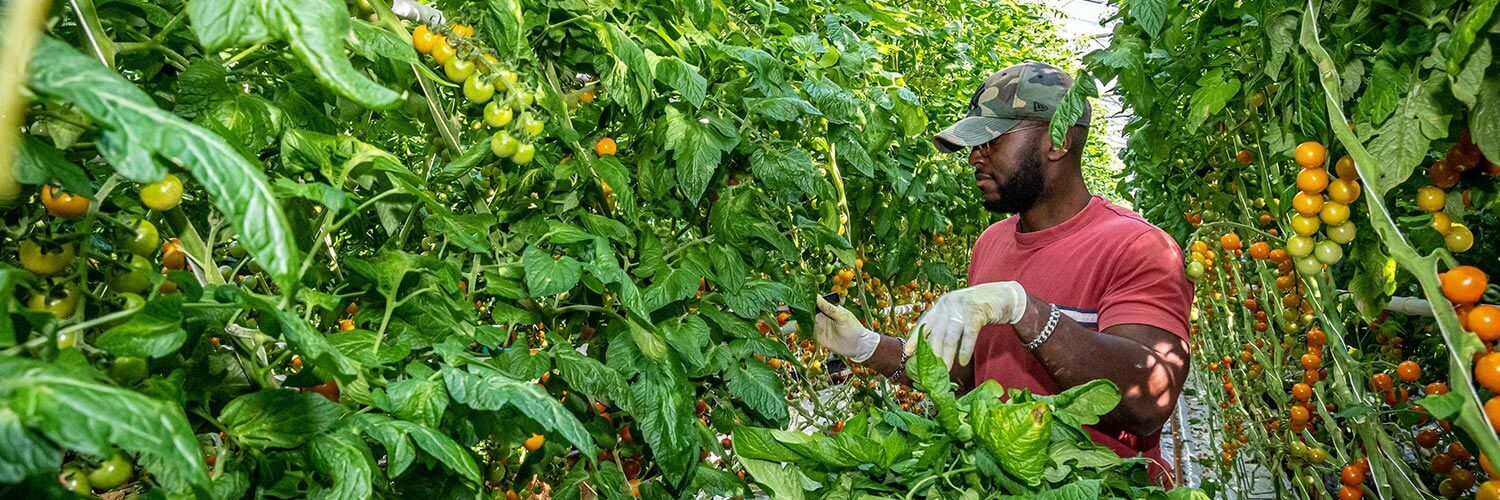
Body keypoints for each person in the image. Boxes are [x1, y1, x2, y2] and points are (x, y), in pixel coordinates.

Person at [812, 62, 1192, 485]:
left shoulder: (1136, 247)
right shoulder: (991, 244)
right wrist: (867, 347)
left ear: (1059, 140)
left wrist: (1025, 310)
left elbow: (1147, 403)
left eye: (991, 140)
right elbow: (966, 377)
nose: (975, 156)